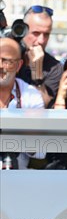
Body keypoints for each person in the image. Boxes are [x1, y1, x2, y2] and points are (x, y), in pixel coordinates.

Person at [0, 38, 44, 168]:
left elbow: (40, 152)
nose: (1, 66)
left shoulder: (31, 96)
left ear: (19, 66)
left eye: (7, 61)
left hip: (17, 178)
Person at [18, 5, 63, 106]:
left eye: (46, 34)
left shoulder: (55, 67)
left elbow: (43, 105)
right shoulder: (8, 56)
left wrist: (37, 73)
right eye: (36, 33)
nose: (41, 41)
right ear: (23, 30)